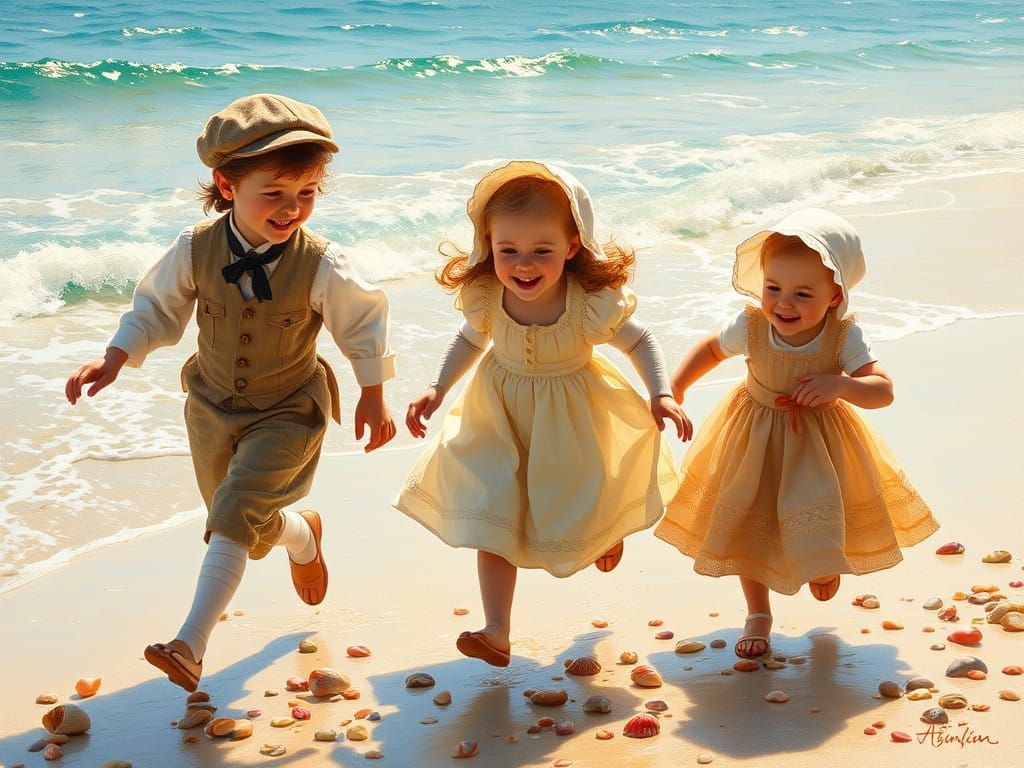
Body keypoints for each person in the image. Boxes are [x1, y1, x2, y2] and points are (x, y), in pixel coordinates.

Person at [65, 93, 397, 691]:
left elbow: (362, 323)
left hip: (290, 409)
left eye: (307, 194)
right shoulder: (194, 248)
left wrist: (372, 394)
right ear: (226, 184)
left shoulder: (322, 263)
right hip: (211, 409)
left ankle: (189, 644)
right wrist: (114, 357)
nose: (292, 208)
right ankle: (303, 534)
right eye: (274, 193)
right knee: (240, 519)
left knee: (234, 512)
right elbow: (155, 308)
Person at [394, 160, 685, 667]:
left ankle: (603, 532)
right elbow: (469, 340)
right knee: (495, 513)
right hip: (496, 415)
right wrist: (437, 388)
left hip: (572, 416)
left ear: (572, 246)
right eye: (508, 251)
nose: (523, 265)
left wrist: (660, 393)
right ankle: (496, 631)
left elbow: (640, 341)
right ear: (489, 243)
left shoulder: (589, 303)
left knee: (578, 493)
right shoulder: (486, 295)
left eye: (541, 251)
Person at [655, 208, 938, 659]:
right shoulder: (750, 325)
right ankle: (758, 613)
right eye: (774, 288)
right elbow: (711, 349)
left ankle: (822, 562)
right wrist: (677, 388)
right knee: (750, 522)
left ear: (833, 296)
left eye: (802, 293)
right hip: (753, 437)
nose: (783, 303)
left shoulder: (842, 337)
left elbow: (882, 390)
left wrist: (842, 385)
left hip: (820, 443)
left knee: (820, 508)